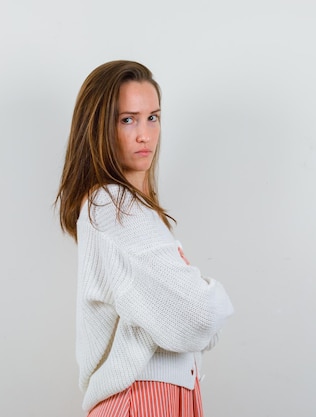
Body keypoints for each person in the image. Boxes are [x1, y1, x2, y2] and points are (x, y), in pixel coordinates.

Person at [55, 60, 234, 417]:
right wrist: (213, 293)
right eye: (127, 119)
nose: (144, 134)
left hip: (162, 396)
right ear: (99, 128)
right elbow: (198, 318)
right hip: (142, 399)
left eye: (152, 117)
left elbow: (191, 324)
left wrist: (195, 303)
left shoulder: (132, 210)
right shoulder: (112, 205)